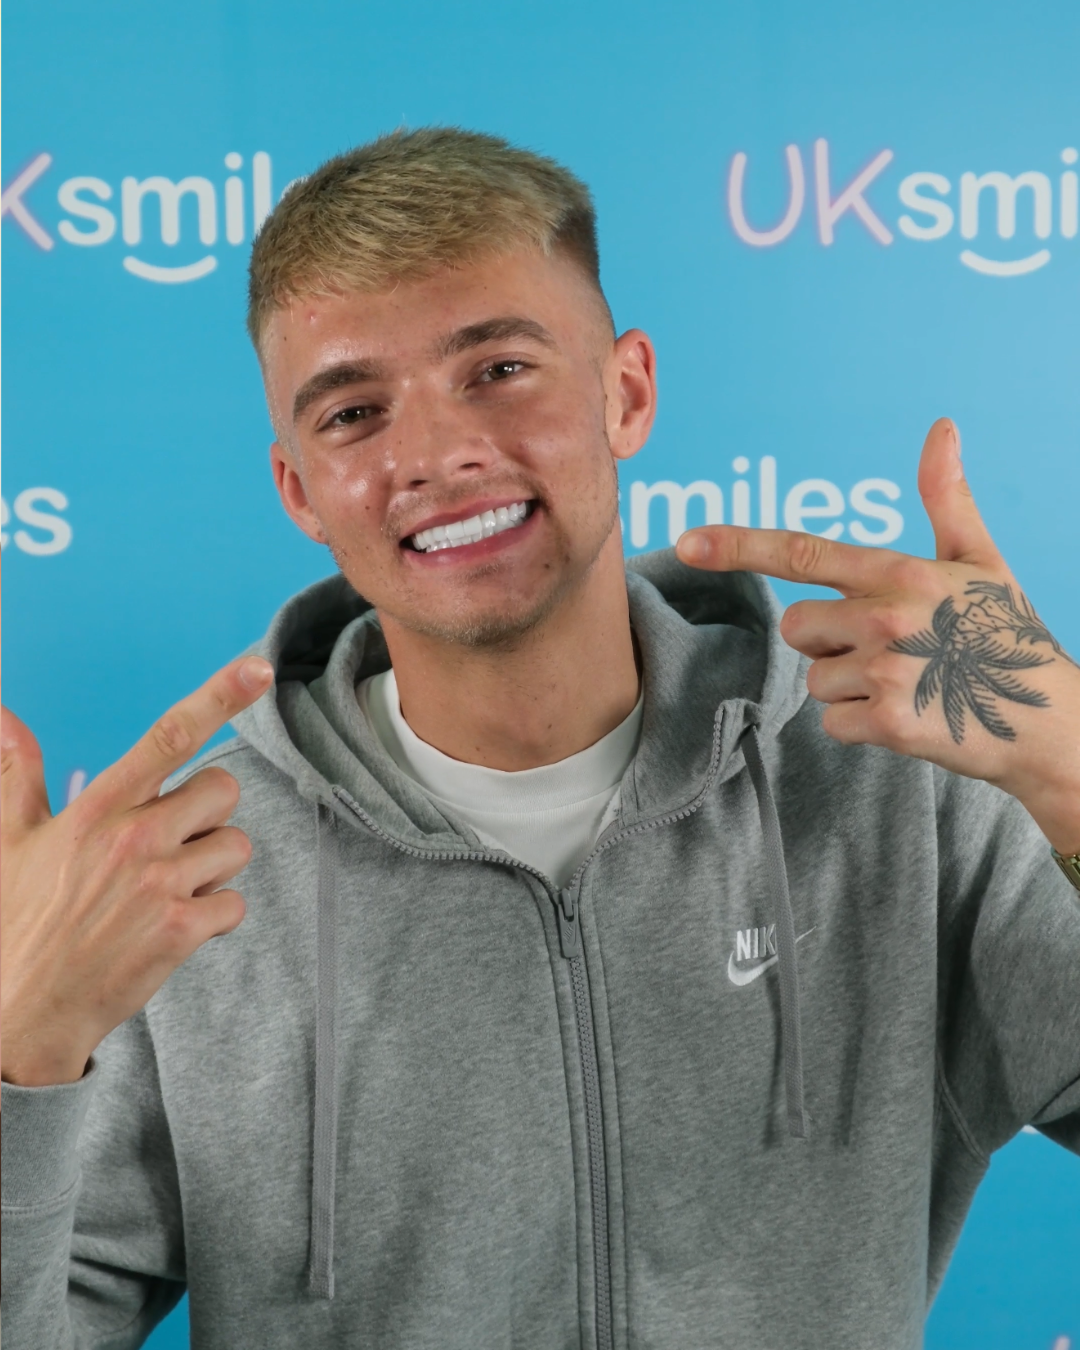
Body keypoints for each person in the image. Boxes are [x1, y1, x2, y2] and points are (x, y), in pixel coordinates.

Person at [2, 127, 1078, 1350]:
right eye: (354, 412)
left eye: (498, 370)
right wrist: (19, 1051)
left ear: (625, 392)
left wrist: (1078, 778)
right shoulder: (186, 887)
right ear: (300, 490)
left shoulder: (894, 784)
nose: (435, 457)